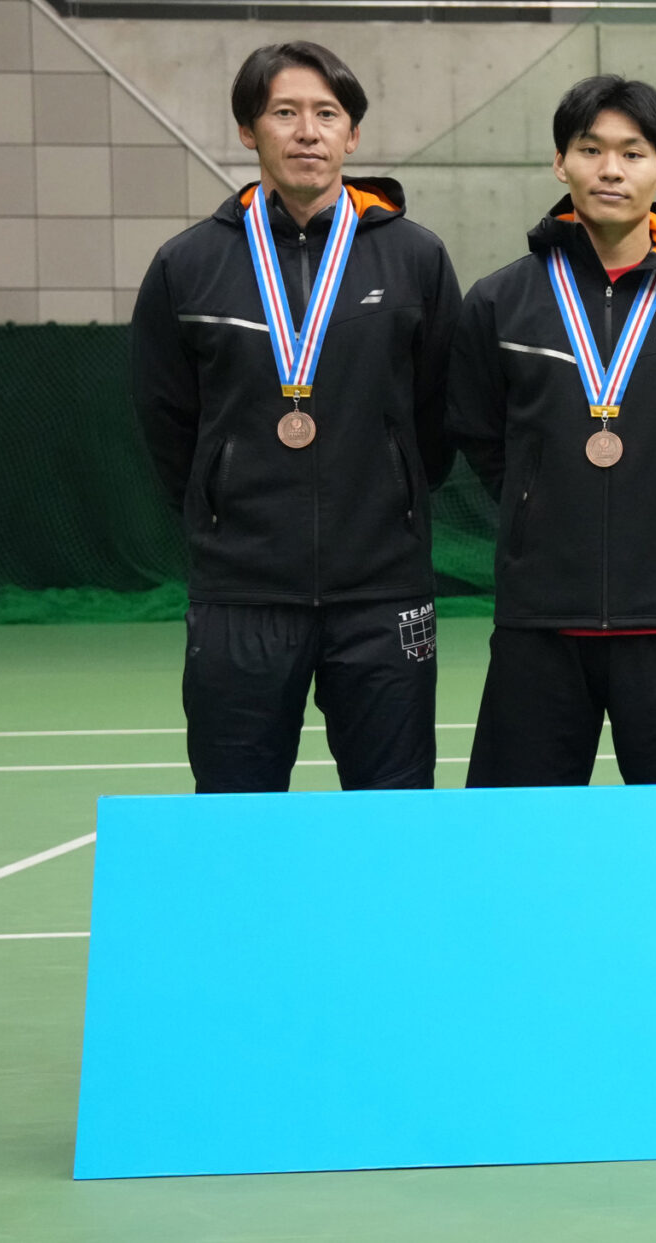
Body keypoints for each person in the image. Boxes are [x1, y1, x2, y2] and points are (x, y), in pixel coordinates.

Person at [129, 40, 461, 792]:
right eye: (285, 112)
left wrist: (394, 489)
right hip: (241, 592)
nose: (308, 131)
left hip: (383, 591)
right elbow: (166, 416)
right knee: (236, 812)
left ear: (353, 134)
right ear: (249, 130)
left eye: (327, 113)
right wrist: (220, 499)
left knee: (392, 815)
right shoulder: (188, 264)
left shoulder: (415, 258)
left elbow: (439, 412)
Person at [447, 75, 656, 786]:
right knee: (521, 833)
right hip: (539, 619)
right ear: (561, 163)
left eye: (633, 153)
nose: (611, 169)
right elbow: (481, 433)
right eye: (591, 150)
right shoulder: (501, 299)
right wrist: (537, 501)